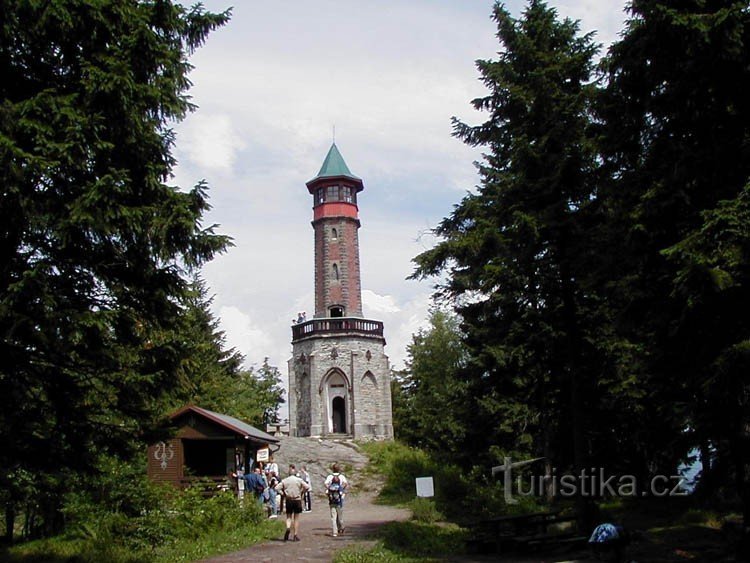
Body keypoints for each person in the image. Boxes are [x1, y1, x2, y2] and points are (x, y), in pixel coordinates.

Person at [276, 465, 310, 542]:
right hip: (297, 499)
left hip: (289, 499)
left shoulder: (285, 480)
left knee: (288, 516)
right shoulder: (299, 480)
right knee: (296, 518)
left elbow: (276, 488)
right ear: (295, 473)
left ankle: (288, 527)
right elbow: (307, 487)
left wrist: (283, 494)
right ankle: (295, 535)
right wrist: (302, 492)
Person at [324, 463, 349, 537]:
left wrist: (330, 488)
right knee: (340, 515)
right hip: (340, 498)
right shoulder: (341, 476)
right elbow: (345, 484)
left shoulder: (330, 476)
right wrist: (340, 488)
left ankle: (335, 532)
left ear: (332, 469)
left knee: (333, 517)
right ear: (339, 469)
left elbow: (326, 484)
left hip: (331, 499)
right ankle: (341, 527)